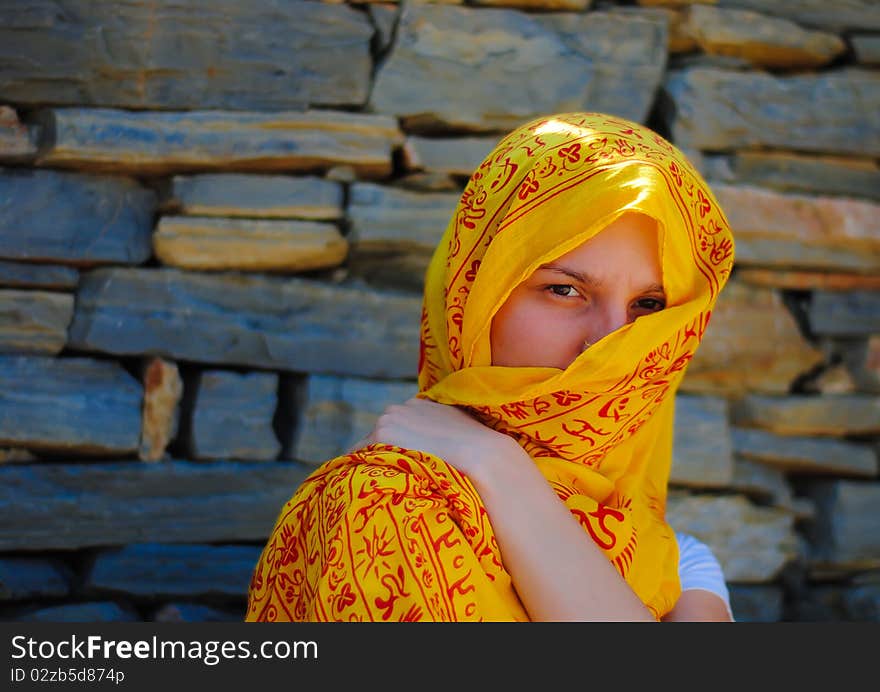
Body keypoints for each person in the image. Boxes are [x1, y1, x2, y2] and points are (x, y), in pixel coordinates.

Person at [245, 112, 736, 622]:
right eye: (564, 290)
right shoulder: (379, 505)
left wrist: (500, 467)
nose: (609, 342)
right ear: (475, 301)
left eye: (649, 306)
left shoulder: (674, 560)